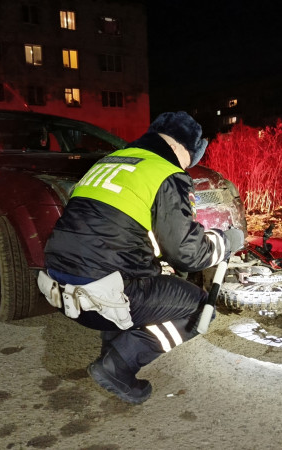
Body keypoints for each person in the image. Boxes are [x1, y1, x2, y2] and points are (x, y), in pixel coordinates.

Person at [43, 111, 244, 404]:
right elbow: (189, 254)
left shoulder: (109, 163)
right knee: (200, 309)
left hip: (60, 289)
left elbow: (118, 230)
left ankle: (112, 354)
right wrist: (227, 241)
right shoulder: (164, 172)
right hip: (104, 298)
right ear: (178, 147)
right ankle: (116, 367)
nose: (187, 166)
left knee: (141, 276)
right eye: (190, 158)